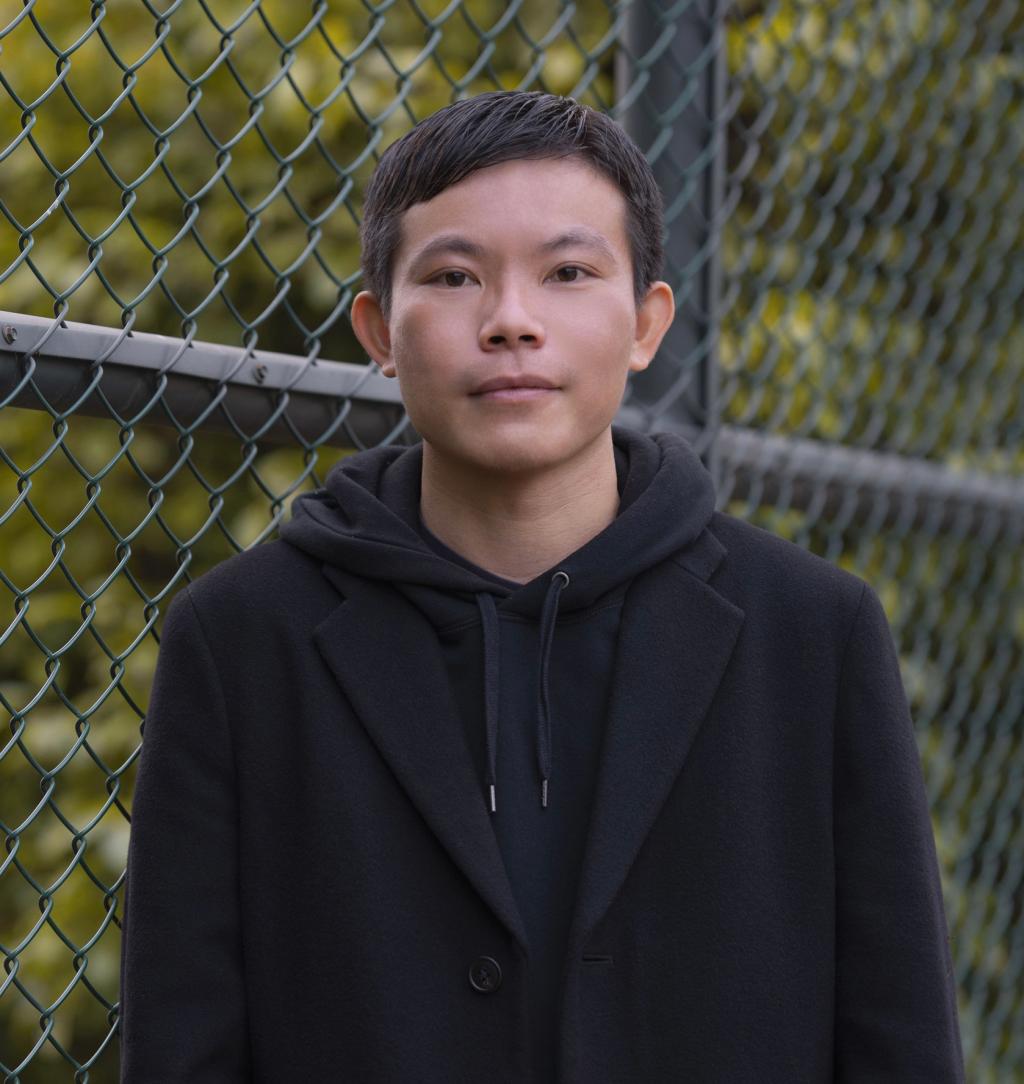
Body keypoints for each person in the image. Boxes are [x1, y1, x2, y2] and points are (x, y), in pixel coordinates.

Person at [118, 90, 965, 1083]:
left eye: (567, 272)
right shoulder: (241, 642)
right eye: (453, 276)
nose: (510, 322)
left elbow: (901, 1039)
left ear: (646, 322)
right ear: (379, 332)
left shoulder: (814, 634)